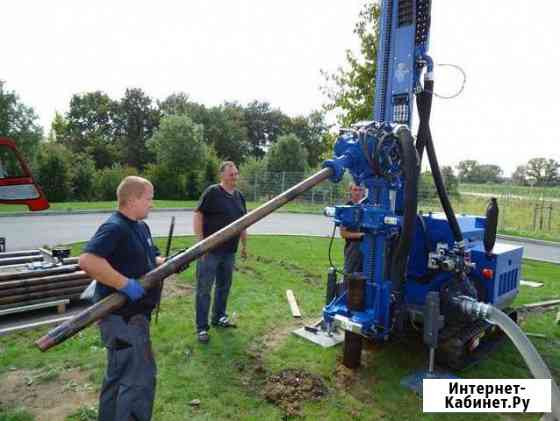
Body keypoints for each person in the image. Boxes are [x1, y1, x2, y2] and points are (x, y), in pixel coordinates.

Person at [79, 176, 165, 421]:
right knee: (137, 380)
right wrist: (125, 284)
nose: (152, 204)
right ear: (133, 199)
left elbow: (152, 256)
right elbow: (88, 260)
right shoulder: (115, 227)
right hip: (122, 320)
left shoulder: (140, 226)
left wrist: (165, 263)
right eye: (149, 198)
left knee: (118, 377)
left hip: (134, 318)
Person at [193, 161, 247, 344]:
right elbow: (198, 214)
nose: (235, 177)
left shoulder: (239, 196)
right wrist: (201, 244)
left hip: (229, 252)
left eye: (236, 173)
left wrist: (244, 246)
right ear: (222, 175)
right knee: (204, 289)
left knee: (224, 286)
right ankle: (202, 327)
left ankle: (219, 317)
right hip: (210, 251)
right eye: (231, 174)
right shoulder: (213, 193)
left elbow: (243, 222)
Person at [340, 183, 366, 278]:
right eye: (355, 190)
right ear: (350, 191)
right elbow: (343, 233)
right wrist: (361, 235)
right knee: (349, 275)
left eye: (360, 190)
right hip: (353, 248)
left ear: (364, 192)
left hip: (369, 248)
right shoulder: (347, 207)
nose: (358, 192)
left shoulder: (368, 206)